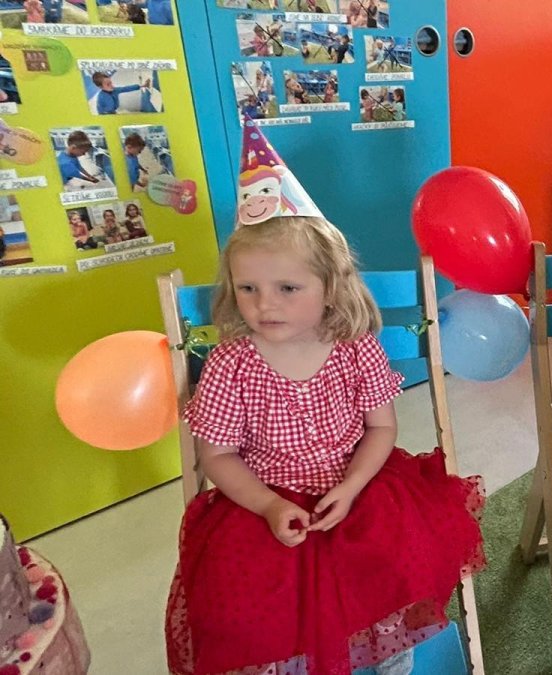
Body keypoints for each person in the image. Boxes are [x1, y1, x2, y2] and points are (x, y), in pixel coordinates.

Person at [164, 215, 487, 675]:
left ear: (331, 288)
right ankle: (295, 659)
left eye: (287, 288)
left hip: (360, 484)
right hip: (263, 498)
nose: (264, 304)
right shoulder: (229, 364)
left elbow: (381, 429)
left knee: (396, 562)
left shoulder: (355, 348)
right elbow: (216, 455)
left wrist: (352, 486)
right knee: (243, 597)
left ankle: (389, 653)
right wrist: (269, 505)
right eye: (247, 288)